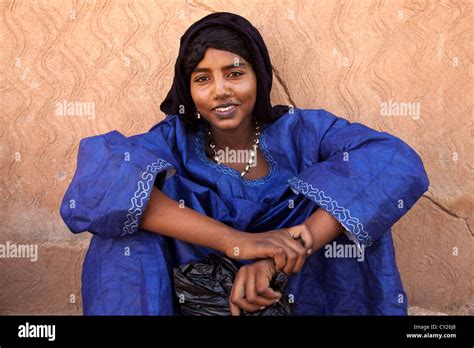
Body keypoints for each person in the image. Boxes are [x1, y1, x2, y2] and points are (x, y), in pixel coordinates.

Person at [59, 12, 429, 315]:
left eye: (235, 73)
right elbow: (99, 182)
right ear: (188, 91)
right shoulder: (172, 139)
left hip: (299, 283)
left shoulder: (305, 131)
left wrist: (281, 252)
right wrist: (238, 242)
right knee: (124, 219)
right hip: (191, 292)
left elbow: (395, 161)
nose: (221, 90)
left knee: (362, 203)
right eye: (202, 79)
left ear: (259, 76)